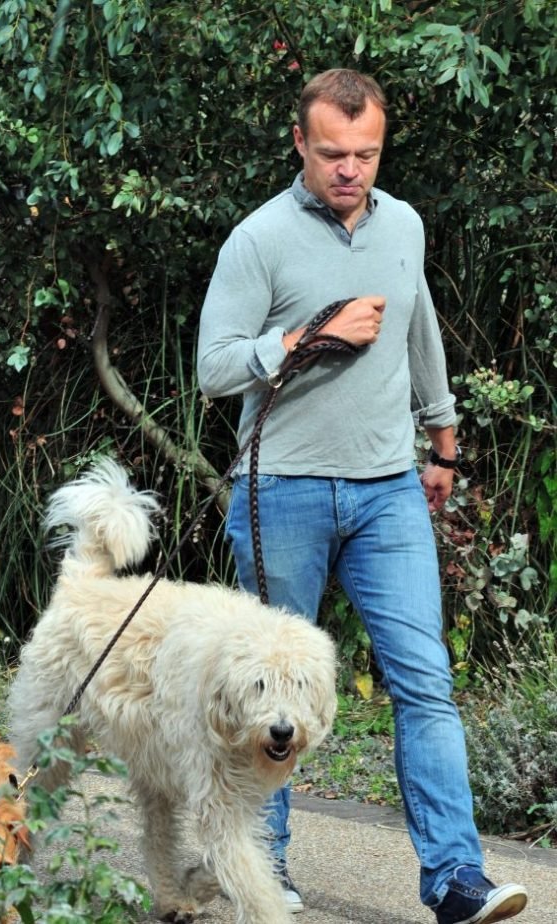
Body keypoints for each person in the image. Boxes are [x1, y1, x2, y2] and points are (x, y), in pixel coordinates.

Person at [197, 69, 528, 924]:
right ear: (301, 143)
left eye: (367, 154)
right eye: (334, 153)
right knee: (270, 695)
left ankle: (458, 881)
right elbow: (213, 367)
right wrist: (309, 336)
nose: (351, 169)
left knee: (426, 682)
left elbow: (419, 331)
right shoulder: (259, 238)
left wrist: (444, 437)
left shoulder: (405, 224)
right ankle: (263, 872)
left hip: (388, 492)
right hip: (284, 493)